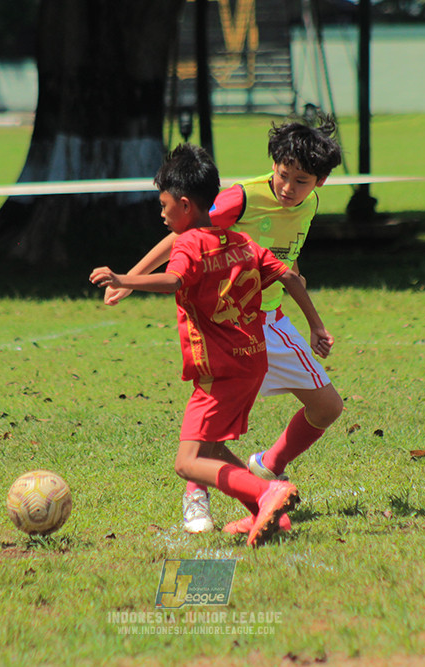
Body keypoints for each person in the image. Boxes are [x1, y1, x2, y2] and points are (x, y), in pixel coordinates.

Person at [104, 114, 344, 534]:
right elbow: (185, 232)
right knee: (208, 422)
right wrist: (131, 277)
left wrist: (294, 279)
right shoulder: (240, 199)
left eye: (301, 181)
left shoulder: (311, 204)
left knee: (327, 407)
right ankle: (196, 497)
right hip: (230, 323)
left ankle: (268, 469)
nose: (288, 188)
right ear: (273, 165)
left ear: (319, 183)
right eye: (283, 175)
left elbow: (286, 255)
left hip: (271, 319)